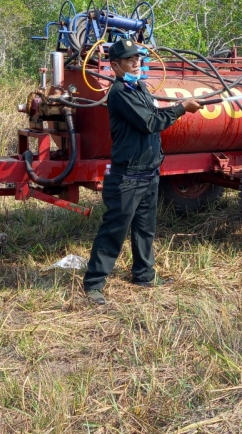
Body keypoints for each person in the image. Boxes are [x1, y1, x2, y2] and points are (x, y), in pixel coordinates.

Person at [83, 39, 202, 305]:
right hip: (127, 175)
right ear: (115, 65)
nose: (136, 62)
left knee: (145, 228)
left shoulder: (138, 87)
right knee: (115, 229)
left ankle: (144, 274)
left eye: (138, 58)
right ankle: (93, 284)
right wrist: (183, 107)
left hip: (148, 170)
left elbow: (154, 114)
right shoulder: (120, 93)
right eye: (129, 60)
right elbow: (150, 122)